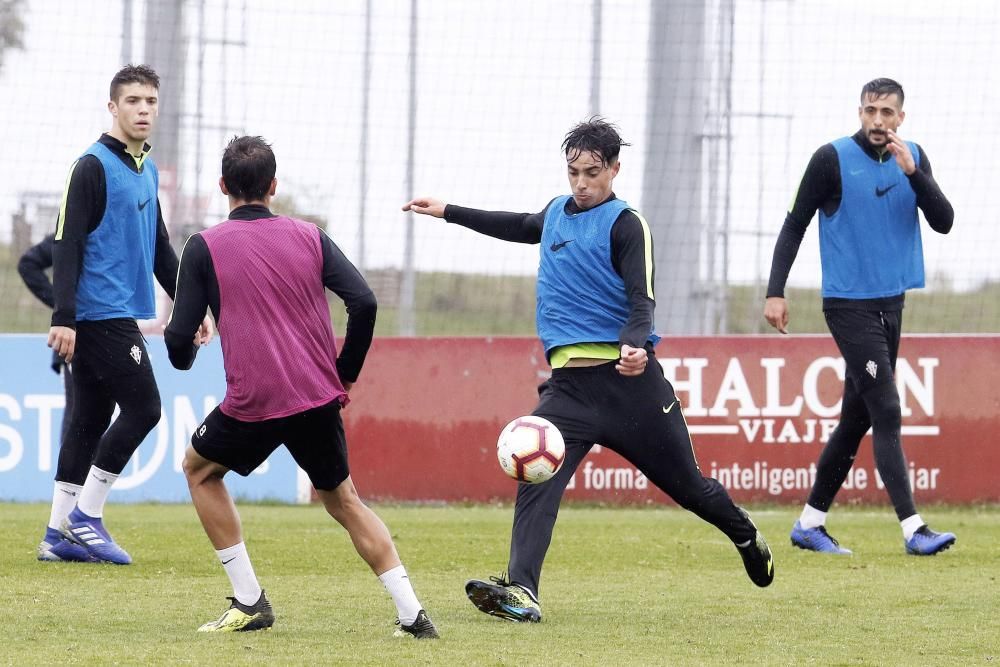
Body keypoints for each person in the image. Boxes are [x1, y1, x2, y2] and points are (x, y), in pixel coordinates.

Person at [402, 117, 774, 624]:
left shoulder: (626, 224)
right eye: (573, 171)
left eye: (592, 172)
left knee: (690, 488)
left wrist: (634, 347)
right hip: (569, 391)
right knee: (536, 476)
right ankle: (523, 592)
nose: (581, 182)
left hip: (630, 388)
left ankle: (744, 534)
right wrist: (447, 211)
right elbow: (514, 225)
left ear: (614, 169)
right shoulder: (556, 213)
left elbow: (642, 302)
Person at [164, 136, 438, 638]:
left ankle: (249, 601)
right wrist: (345, 371)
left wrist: (185, 354)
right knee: (344, 501)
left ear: (223, 186)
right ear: (273, 186)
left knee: (199, 471)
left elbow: (180, 337)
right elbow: (366, 303)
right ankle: (413, 615)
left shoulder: (204, 246)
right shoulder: (311, 236)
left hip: (254, 403)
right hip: (316, 395)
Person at [764, 78, 956, 556]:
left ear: (900, 118)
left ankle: (810, 524)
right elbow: (794, 225)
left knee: (856, 419)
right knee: (887, 408)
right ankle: (914, 529)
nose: (877, 120)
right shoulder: (830, 159)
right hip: (849, 307)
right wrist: (775, 292)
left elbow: (944, 220)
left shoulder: (913, 157)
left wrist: (916, 174)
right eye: (870, 110)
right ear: (860, 111)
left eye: (887, 113)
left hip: (893, 304)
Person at [44, 64, 212, 565]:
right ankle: (86, 517)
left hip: (113, 313)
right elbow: (66, 242)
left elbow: (159, 248)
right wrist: (64, 317)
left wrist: (190, 304)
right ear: (112, 107)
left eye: (150, 102)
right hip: (100, 316)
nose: (143, 110)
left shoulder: (146, 170)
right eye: (133, 101)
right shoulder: (91, 166)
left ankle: (56, 535)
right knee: (146, 409)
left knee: (88, 422)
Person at [18, 233, 74, 448]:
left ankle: (89, 479)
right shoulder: (74, 230)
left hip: (114, 338)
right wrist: (64, 307)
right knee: (78, 415)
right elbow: (28, 264)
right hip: (75, 342)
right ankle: (70, 481)